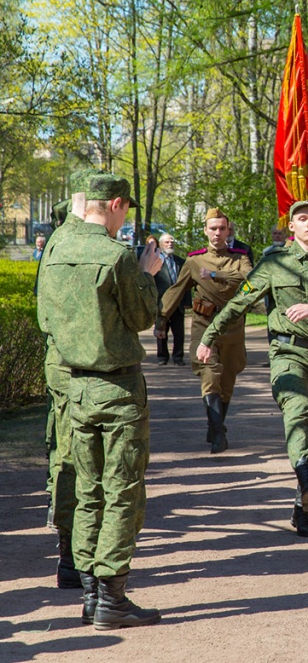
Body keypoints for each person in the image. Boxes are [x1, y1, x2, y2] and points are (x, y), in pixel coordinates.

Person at [197, 200, 308, 537]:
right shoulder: (274, 264)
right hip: (288, 352)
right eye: (301, 219)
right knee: (297, 410)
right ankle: (305, 475)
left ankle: (303, 505)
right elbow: (240, 302)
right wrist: (209, 336)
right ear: (291, 226)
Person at [38, 172, 163, 629]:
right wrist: (148, 275)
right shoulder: (117, 256)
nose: (125, 217)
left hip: (74, 386)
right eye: (125, 207)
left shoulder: (55, 249)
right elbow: (143, 316)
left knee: (88, 491)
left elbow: (45, 316)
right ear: (114, 204)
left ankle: (90, 593)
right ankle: (111, 595)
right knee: (123, 491)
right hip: (117, 389)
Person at [35, 169, 99, 593]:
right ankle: (74, 555)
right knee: (75, 461)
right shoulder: (69, 244)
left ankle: (72, 554)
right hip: (72, 372)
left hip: (62, 368)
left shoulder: (58, 246)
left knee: (68, 457)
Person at [155, 209, 252, 454]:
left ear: (228, 230)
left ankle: (215, 424)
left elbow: (249, 278)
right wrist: (161, 321)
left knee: (227, 379)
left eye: (222, 228)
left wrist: (215, 274)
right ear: (205, 230)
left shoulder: (240, 257)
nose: (218, 233)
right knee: (210, 373)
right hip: (204, 323)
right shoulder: (195, 260)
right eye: (213, 228)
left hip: (232, 326)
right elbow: (175, 292)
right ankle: (219, 433)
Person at [153, 233, 187, 367]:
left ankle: (178, 357)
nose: (170, 244)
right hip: (162, 303)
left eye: (172, 242)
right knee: (162, 331)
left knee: (179, 332)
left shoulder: (180, 262)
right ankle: (162, 357)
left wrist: (187, 302)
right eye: (167, 242)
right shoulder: (156, 262)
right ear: (161, 245)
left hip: (178, 303)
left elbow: (186, 283)